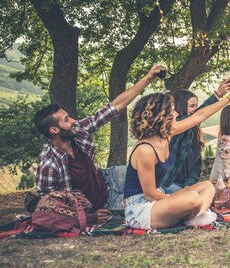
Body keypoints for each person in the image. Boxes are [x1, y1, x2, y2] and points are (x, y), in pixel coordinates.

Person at [34, 65, 163, 224]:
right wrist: (87, 218)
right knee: (149, 206)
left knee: (154, 174)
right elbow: (47, 206)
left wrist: (148, 78)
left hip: (108, 180)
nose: (74, 121)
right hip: (103, 205)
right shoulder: (49, 163)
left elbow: (115, 107)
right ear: (54, 130)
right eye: (67, 120)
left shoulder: (78, 130)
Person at [123, 88, 230, 229]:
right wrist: (176, 200)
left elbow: (199, 116)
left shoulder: (167, 134)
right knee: (193, 198)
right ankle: (194, 215)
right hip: (141, 209)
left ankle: (194, 216)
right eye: (172, 111)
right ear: (160, 116)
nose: (176, 114)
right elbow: (150, 194)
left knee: (208, 186)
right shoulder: (145, 150)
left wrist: (229, 98)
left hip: (160, 198)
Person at [160, 78, 230, 193]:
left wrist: (188, 186)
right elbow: (198, 115)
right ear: (180, 107)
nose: (195, 109)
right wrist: (220, 96)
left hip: (183, 186)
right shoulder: (173, 129)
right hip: (166, 185)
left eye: (196, 105)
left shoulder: (194, 134)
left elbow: (195, 169)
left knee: (209, 189)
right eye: (192, 106)